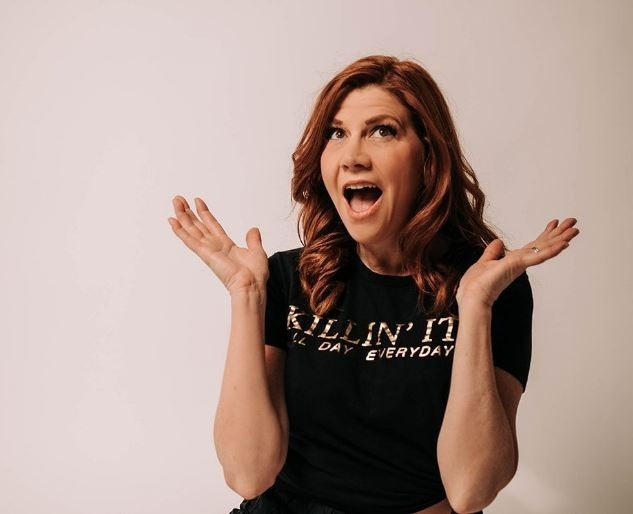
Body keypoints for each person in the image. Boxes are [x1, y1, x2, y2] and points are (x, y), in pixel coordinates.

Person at [167, 55, 579, 514]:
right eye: (336, 133)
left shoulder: (489, 285)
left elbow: (470, 489)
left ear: (428, 155)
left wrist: (476, 305)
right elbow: (248, 475)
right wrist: (246, 296)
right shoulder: (284, 278)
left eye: (382, 131)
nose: (353, 156)